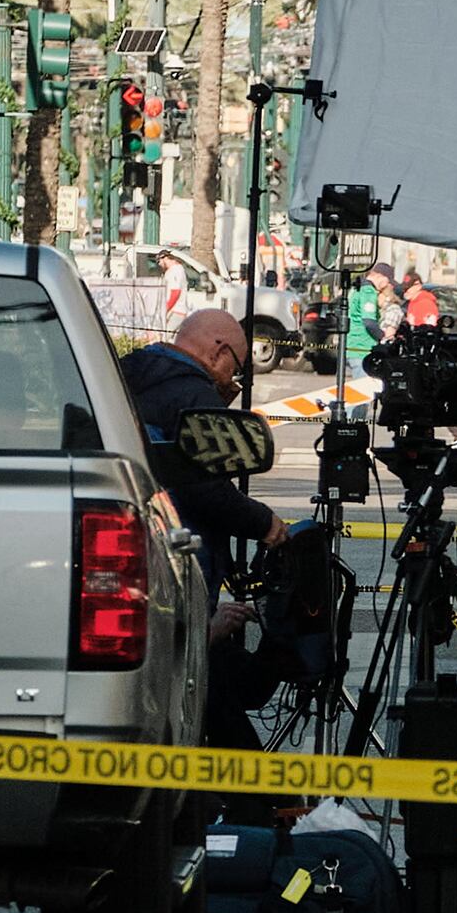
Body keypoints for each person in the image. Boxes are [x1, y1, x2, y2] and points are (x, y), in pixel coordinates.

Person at [120, 309, 287, 754]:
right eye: (237, 363)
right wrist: (265, 523)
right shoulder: (194, 395)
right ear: (218, 350)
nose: (236, 375)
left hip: (142, 550)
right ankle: (243, 796)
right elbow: (206, 487)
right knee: (196, 684)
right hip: (185, 559)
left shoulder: (130, 377)